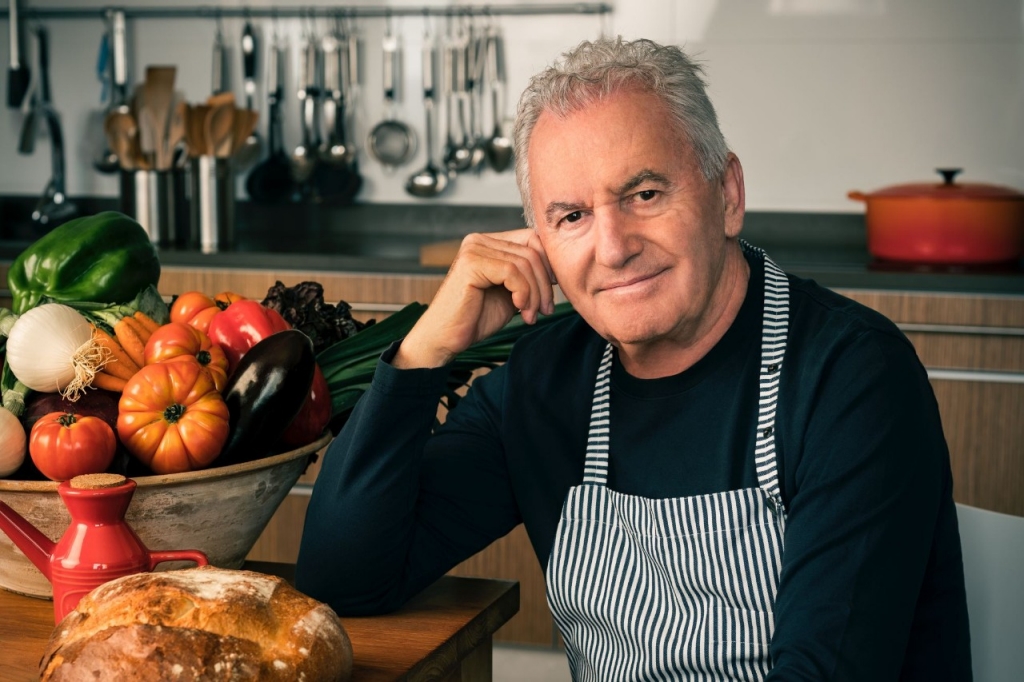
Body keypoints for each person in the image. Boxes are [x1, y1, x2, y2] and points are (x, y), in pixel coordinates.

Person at [296, 37, 971, 680]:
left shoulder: (852, 378)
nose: (613, 247)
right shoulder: (546, 382)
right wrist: (423, 351)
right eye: (572, 217)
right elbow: (345, 581)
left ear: (728, 195)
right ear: (542, 245)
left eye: (644, 194)